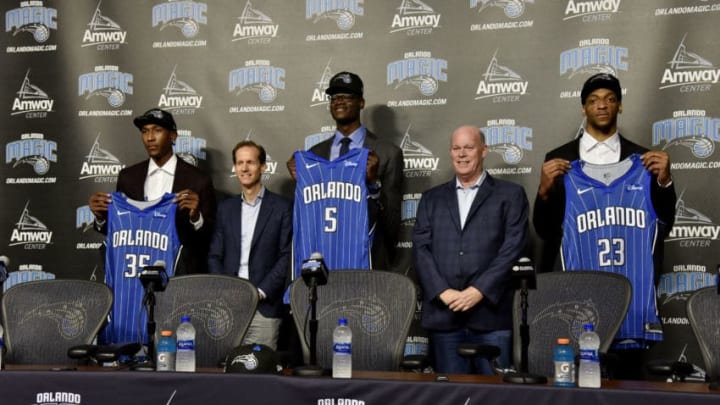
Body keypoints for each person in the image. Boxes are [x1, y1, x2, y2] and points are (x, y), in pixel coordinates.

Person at [532, 73, 677, 379]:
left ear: (620, 107)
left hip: (632, 302)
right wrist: (544, 192)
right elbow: (546, 231)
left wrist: (664, 182)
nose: (602, 106)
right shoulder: (558, 160)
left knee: (631, 390)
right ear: (584, 107)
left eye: (610, 99)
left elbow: (665, 222)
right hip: (580, 302)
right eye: (594, 100)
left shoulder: (645, 161)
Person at [413, 125, 529, 374]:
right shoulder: (431, 199)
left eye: (469, 147)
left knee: (496, 398)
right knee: (451, 396)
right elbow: (421, 249)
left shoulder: (510, 195)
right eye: (456, 148)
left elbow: (513, 248)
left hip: (491, 318)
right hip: (445, 317)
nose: (462, 154)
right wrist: (443, 292)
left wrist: (479, 291)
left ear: (484, 150)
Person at [287, 71, 403, 271]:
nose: (339, 101)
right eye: (334, 96)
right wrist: (303, 180)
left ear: (361, 103)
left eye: (347, 96)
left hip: (365, 263)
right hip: (324, 260)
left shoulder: (387, 153)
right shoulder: (315, 154)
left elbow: (392, 222)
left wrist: (373, 185)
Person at [88, 108, 217, 276]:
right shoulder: (128, 177)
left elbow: (212, 236)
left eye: (157, 130)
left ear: (173, 136)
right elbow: (120, 231)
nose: (150, 138)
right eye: (145, 131)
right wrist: (100, 217)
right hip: (136, 272)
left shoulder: (198, 180)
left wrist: (195, 218)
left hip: (182, 275)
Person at [208, 141, 292, 350]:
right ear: (235, 168)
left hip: (264, 308)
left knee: (260, 372)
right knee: (225, 372)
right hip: (227, 307)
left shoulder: (282, 207)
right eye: (240, 163)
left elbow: (287, 255)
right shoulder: (225, 209)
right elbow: (214, 255)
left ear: (263, 167)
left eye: (251, 163)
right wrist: (227, 289)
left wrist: (261, 291)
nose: (244, 168)